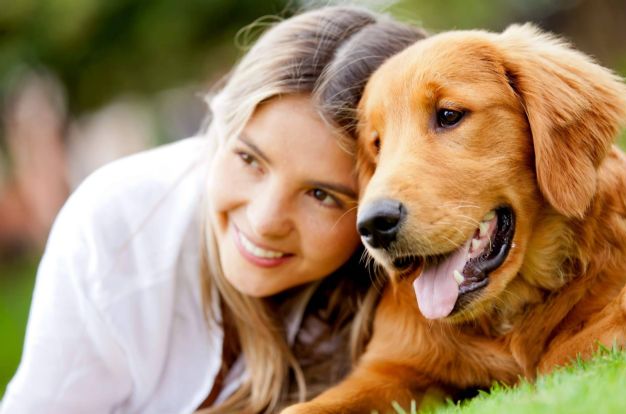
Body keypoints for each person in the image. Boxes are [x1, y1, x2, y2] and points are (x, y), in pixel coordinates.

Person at [1, 6, 425, 414]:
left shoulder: (386, 289)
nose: (264, 222)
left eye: (321, 195)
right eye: (249, 159)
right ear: (219, 128)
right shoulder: (114, 230)